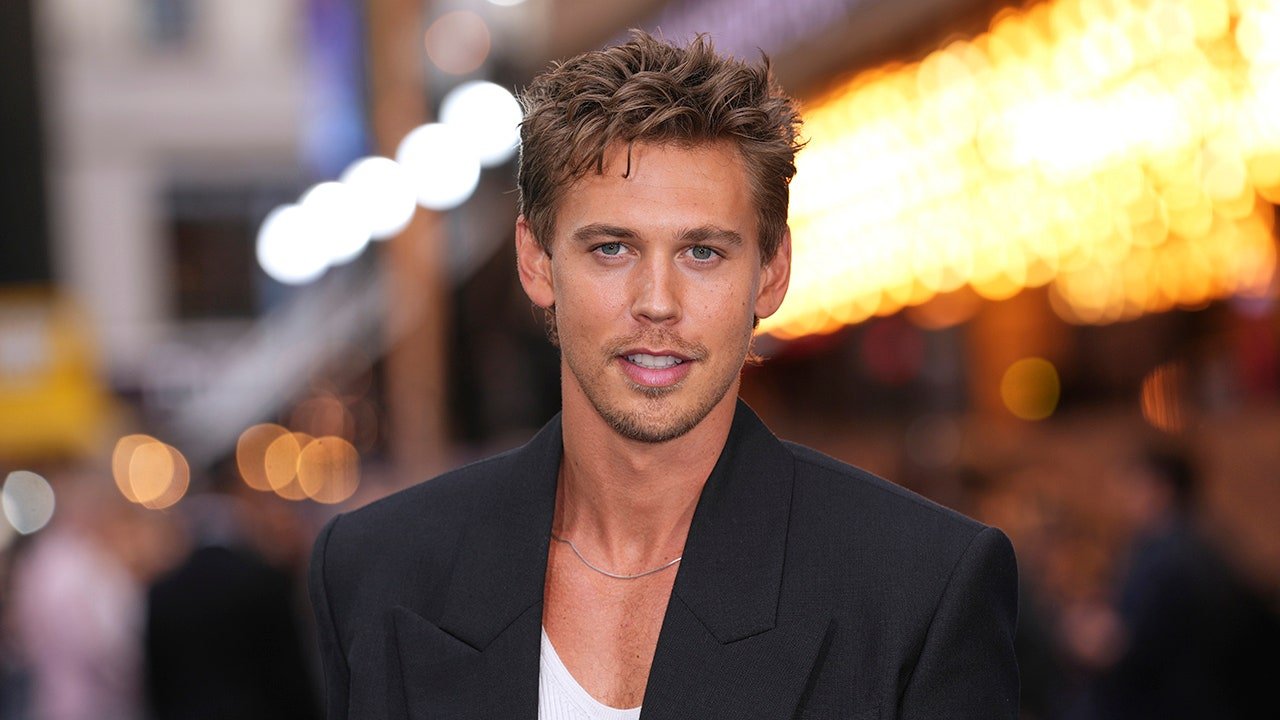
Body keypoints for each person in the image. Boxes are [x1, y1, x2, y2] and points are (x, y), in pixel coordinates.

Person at [310, 32, 1018, 719]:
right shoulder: (376, 572)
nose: (657, 302)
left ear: (772, 272)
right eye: (612, 248)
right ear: (536, 261)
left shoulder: (921, 589)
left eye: (703, 252)